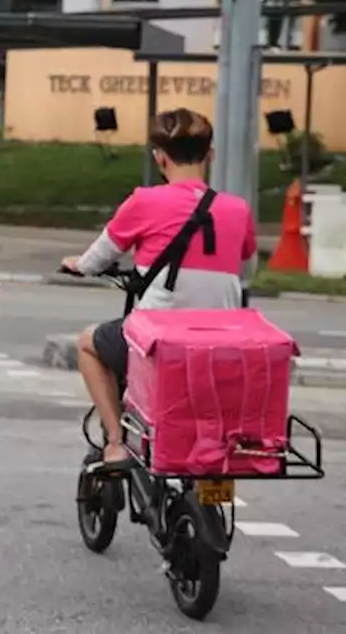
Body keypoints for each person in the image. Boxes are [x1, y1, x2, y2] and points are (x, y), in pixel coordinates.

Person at [61, 108, 257, 474]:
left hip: (159, 341)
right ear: (210, 154)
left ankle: (116, 444)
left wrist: (77, 264)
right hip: (223, 341)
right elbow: (246, 258)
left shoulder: (144, 201)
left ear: (159, 156)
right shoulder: (238, 209)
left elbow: (96, 259)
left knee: (89, 344)